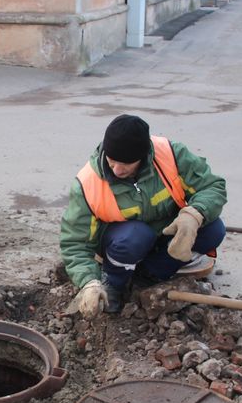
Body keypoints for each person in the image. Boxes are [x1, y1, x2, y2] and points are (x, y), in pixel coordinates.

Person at [61, 114, 227, 318]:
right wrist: (88, 282)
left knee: (213, 230)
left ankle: (150, 275)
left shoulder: (171, 156)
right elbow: (75, 243)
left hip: (166, 232)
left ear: (143, 155)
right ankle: (113, 283)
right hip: (124, 242)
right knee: (135, 235)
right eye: (112, 161)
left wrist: (195, 213)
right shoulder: (88, 183)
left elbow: (212, 186)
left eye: (126, 163)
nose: (117, 170)